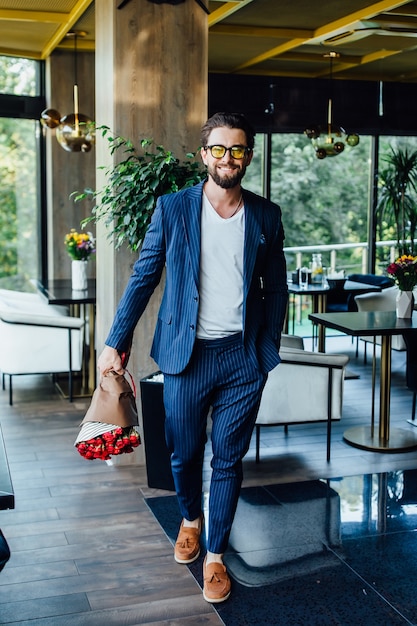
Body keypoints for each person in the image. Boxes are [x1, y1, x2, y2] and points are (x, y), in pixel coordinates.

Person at [97, 112, 288, 603]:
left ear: (248, 155)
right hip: (186, 356)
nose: (229, 158)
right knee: (183, 453)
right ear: (204, 155)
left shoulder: (266, 215)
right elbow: (144, 276)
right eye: (219, 149)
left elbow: (277, 287)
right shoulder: (173, 208)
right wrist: (116, 339)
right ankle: (189, 519)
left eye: (238, 150)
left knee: (228, 458)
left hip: (243, 359)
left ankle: (217, 557)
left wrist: (269, 348)